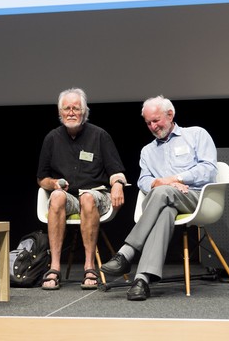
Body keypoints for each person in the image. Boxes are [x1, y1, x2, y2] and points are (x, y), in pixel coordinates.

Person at [100, 95, 218, 301]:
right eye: (148, 123)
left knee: (163, 192)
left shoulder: (196, 134)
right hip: (165, 201)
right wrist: (160, 183)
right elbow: (143, 180)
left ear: (170, 115)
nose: (153, 126)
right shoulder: (147, 151)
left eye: (156, 120)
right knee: (165, 209)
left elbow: (208, 170)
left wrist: (176, 178)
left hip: (195, 197)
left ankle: (127, 252)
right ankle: (142, 280)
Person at [36, 87, 127, 290]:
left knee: (87, 197)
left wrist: (118, 185)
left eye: (76, 108)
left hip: (96, 195)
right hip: (68, 195)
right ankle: (55, 267)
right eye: (66, 108)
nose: (71, 113)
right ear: (60, 112)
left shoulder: (100, 135)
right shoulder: (52, 138)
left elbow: (116, 171)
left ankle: (89, 266)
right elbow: (41, 179)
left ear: (84, 112)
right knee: (58, 197)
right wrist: (53, 184)